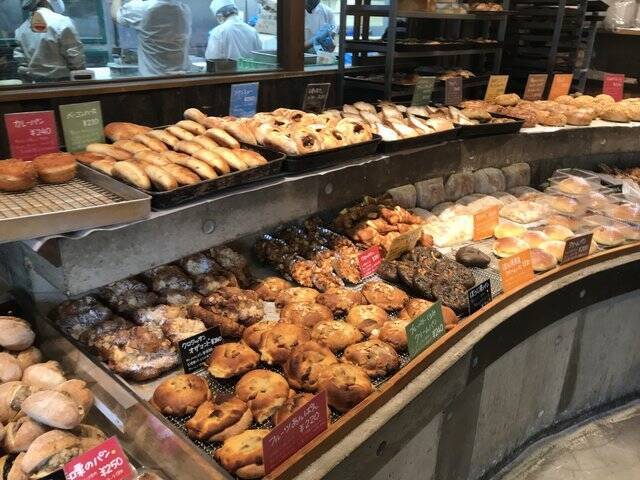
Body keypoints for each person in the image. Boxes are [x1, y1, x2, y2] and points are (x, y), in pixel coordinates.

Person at [111, 0, 192, 77]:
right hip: (182, 78)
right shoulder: (184, 9)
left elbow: (115, 14)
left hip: (152, 79)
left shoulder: (142, 8)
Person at [14, 0, 85, 81]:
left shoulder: (21, 29)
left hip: (38, 84)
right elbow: (76, 58)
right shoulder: (62, 22)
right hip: (63, 83)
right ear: (45, 1)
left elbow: (22, 62)